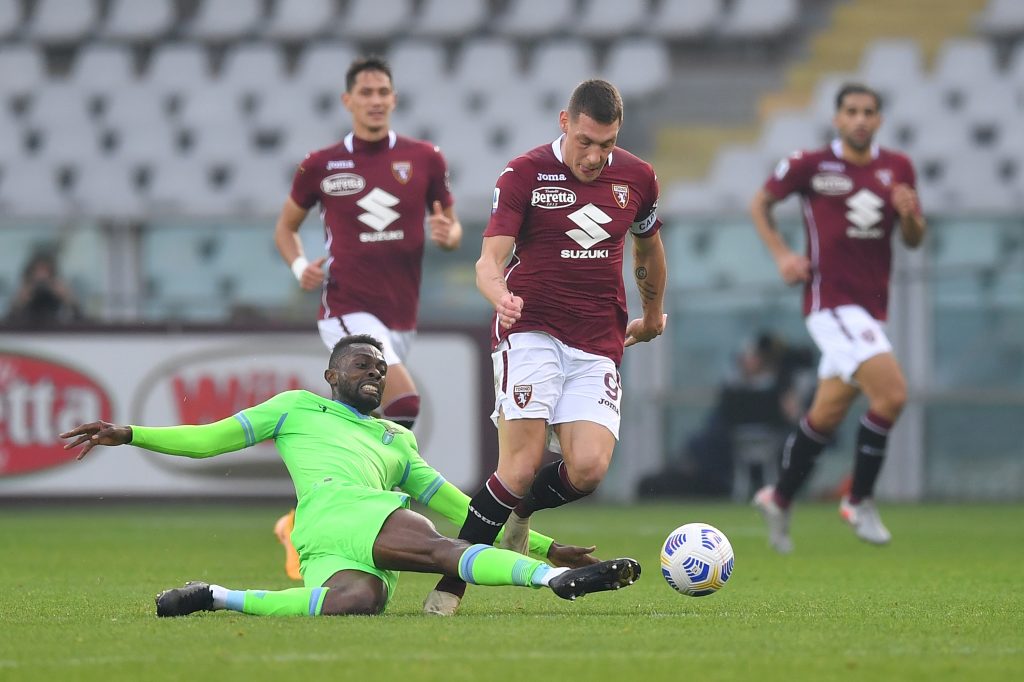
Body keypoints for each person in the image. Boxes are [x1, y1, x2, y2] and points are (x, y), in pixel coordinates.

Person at [59, 335, 640, 618]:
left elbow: (465, 507)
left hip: (360, 520)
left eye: (381, 368)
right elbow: (209, 439)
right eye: (362, 364)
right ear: (332, 372)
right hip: (324, 523)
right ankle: (548, 584)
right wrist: (131, 433)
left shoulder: (397, 440)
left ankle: (214, 596)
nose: (375, 373)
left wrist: (548, 544)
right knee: (398, 576)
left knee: (396, 577)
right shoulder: (294, 407)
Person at [424, 79, 667, 615]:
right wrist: (500, 296)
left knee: (588, 470)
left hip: (599, 339)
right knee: (518, 465)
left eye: (606, 144)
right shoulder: (523, 174)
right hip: (531, 329)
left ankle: (520, 513)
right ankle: (451, 582)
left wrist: (650, 315)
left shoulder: (638, 178)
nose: (595, 156)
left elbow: (649, 248)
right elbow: (488, 262)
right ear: (565, 122)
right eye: (585, 141)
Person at [271, 55, 463, 579]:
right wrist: (297, 266)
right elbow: (285, 228)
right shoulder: (321, 165)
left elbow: (450, 224)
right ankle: (372, 511)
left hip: (400, 311)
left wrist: (450, 236)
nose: (375, 100)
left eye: (383, 91)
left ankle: (307, 517)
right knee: (404, 400)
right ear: (348, 101)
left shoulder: (424, 158)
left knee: (372, 420)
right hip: (345, 305)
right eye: (366, 92)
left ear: (393, 99)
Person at [749, 83, 927, 554]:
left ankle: (780, 496)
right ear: (838, 118)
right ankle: (859, 499)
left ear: (880, 120)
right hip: (830, 304)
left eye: (869, 111)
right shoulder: (811, 164)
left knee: (826, 414)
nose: (861, 119)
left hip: (871, 310)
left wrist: (910, 216)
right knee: (892, 395)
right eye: (852, 111)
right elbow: (760, 203)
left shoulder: (898, 168)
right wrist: (783, 255)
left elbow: (912, 238)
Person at [6, 251, 83, 326]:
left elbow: (81, 322)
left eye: (47, 276)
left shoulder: (59, 297)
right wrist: (19, 303)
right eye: (37, 279)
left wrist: (68, 299)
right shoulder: (24, 295)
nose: (42, 282)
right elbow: (8, 324)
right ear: (29, 276)